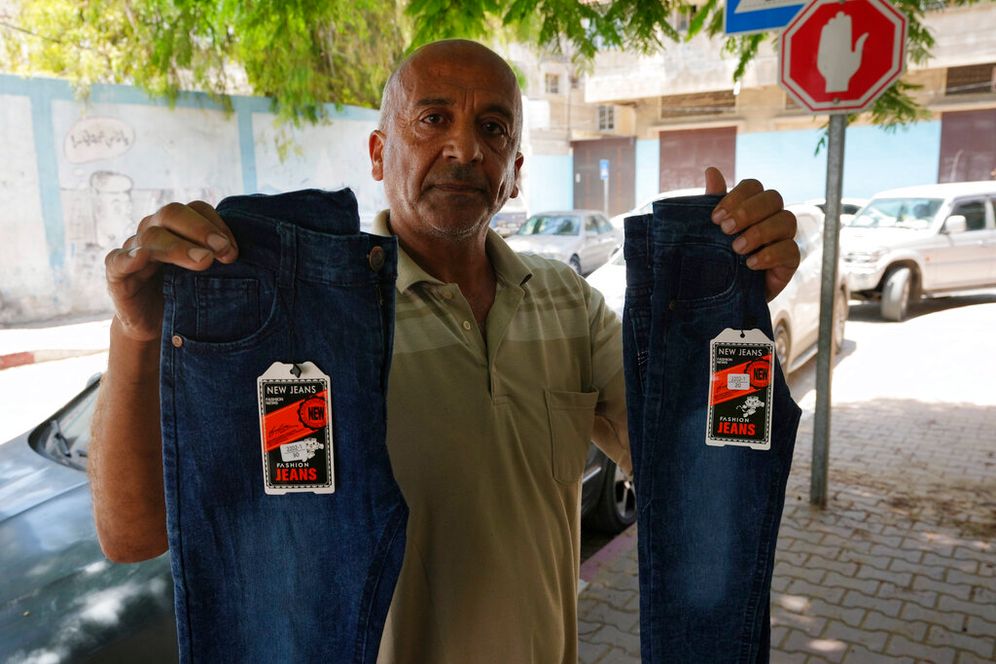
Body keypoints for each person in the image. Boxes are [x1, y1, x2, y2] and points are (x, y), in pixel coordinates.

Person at [91, 39, 800, 663]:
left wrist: (728, 319)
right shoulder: (307, 327)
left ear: (514, 171)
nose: (465, 149)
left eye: (493, 128)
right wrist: (138, 335)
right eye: (433, 119)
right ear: (379, 152)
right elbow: (131, 535)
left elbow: (690, 462)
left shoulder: (566, 302)